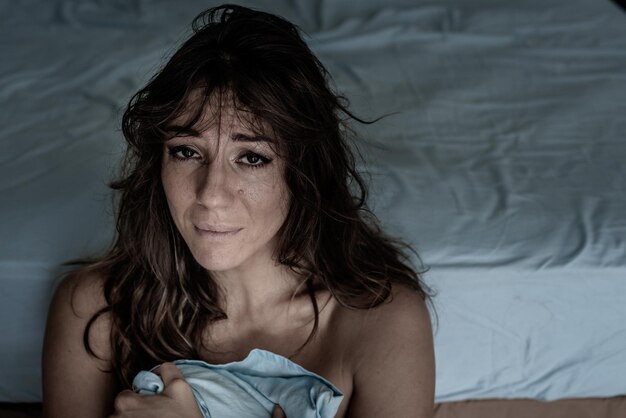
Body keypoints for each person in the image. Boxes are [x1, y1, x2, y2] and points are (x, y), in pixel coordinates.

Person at [42, 4, 435, 418]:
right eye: (187, 151)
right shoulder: (94, 310)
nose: (211, 194)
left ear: (304, 172)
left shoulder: (381, 322)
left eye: (251, 158)